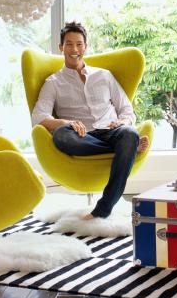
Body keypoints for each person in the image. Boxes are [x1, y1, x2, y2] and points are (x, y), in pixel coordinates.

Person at [31, 21, 149, 220]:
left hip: (112, 131)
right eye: (69, 44)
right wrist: (64, 123)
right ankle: (127, 149)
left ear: (85, 47)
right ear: (61, 47)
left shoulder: (104, 76)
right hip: (80, 136)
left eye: (79, 44)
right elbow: (38, 117)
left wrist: (122, 122)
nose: (74, 49)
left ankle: (103, 209)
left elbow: (127, 109)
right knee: (61, 137)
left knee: (129, 133)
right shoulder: (53, 82)